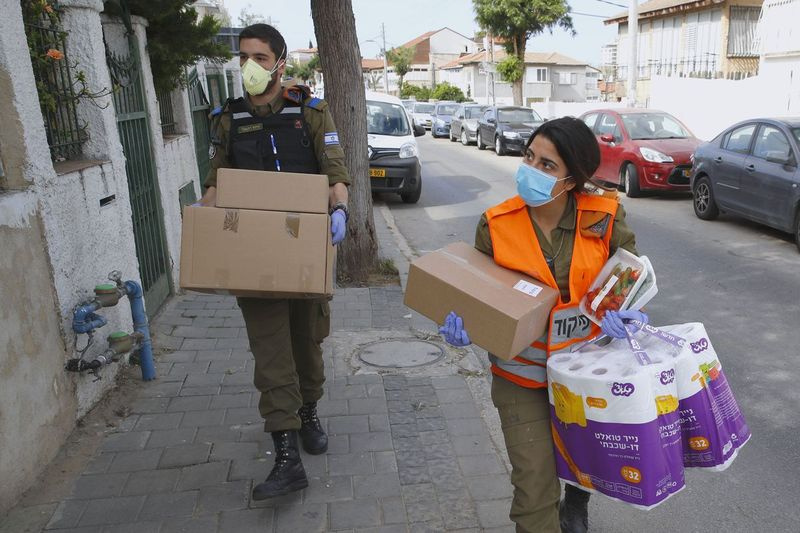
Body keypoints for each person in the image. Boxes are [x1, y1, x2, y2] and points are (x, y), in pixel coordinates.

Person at [439, 117, 647, 533]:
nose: (531, 169)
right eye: (529, 156)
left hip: (587, 375)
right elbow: (478, 298)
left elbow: (630, 273)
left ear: (572, 180)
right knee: (534, 491)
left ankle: (577, 501)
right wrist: (465, 327)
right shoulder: (496, 224)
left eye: (547, 165)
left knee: (581, 461)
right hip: (522, 378)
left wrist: (630, 309)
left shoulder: (605, 216)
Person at [198, 24, 350, 500]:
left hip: (305, 252)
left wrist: (340, 209)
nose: (250, 66)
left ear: (281, 63)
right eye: (244, 56)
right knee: (270, 353)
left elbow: (335, 175)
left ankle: (308, 414)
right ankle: (285, 455)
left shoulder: (311, 112)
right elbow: (214, 184)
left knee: (307, 344)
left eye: (260, 57)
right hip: (255, 257)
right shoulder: (226, 119)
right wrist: (210, 222)